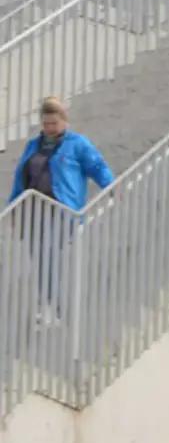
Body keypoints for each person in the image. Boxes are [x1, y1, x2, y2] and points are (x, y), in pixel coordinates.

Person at [10, 96, 114, 326]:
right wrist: (13, 206)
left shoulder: (77, 144)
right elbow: (21, 177)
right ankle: (46, 303)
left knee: (49, 254)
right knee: (39, 258)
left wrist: (112, 187)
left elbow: (97, 166)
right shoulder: (33, 145)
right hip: (33, 208)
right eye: (45, 123)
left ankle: (52, 307)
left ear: (64, 121)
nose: (49, 128)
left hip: (60, 208)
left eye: (54, 124)